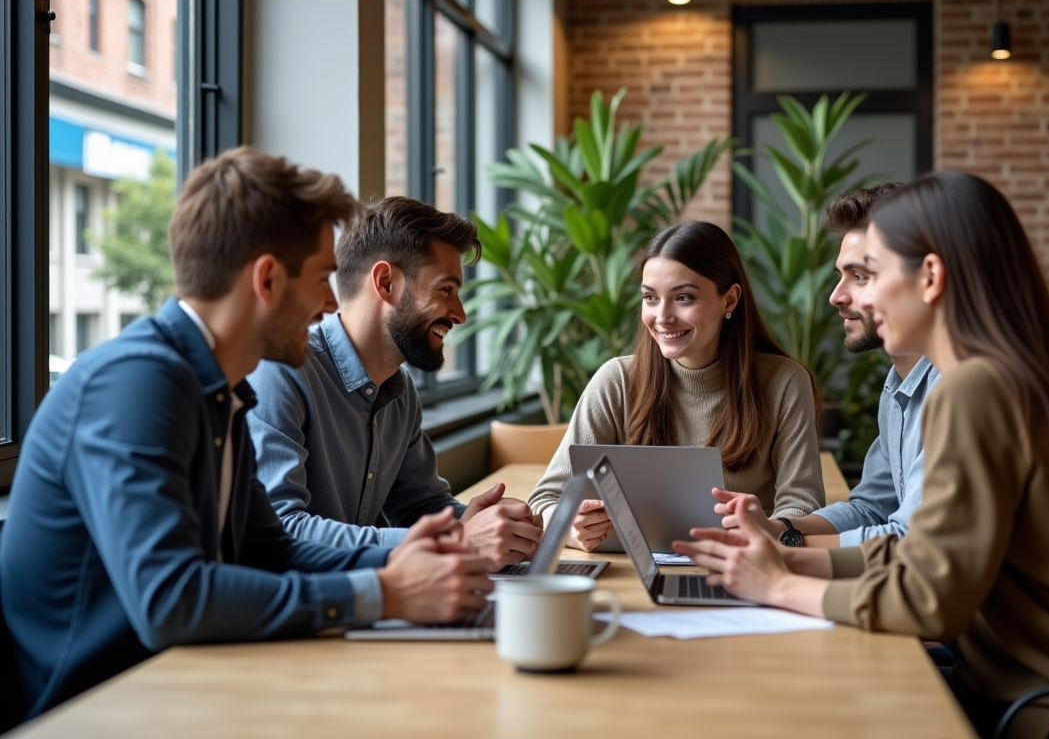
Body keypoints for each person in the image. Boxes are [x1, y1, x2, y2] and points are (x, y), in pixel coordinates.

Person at [0, 148, 492, 720]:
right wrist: (384, 593)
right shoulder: (138, 384)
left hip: (182, 685)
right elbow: (171, 599)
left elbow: (272, 548)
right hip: (94, 709)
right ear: (266, 279)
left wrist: (413, 560)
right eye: (320, 279)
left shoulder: (219, 392)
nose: (332, 303)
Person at [676, 171, 1049, 739]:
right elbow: (927, 556)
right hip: (1022, 685)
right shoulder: (1005, 375)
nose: (855, 297)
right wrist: (787, 557)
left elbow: (933, 600)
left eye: (871, 274)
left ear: (930, 276)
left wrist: (778, 585)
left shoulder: (975, 387)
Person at [246, 197, 543, 571]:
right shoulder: (280, 371)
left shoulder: (399, 392)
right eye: (445, 290)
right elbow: (280, 531)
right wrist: (458, 540)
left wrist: (488, 527)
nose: (460, 314)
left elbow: (419, 507)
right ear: (386, 282)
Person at [528, 219, 825, 551]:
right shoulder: (617, 381)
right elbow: (546, 498)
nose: (662, 316)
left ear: (729, 300)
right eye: (650, 298)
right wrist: (570, 527)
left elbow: (803, 505)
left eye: (683, 298)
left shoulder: (784, 382)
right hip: (634, 573)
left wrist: (766, 531)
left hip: (743, 567)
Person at [711, 183, 940, 549]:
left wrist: (785, 547)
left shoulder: (954, 388)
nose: (837, 296)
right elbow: (869, 509)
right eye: (840, 275)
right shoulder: (898, 384)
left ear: (926, 278)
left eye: (860, 276)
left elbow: (908, 541)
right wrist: (776, 527)